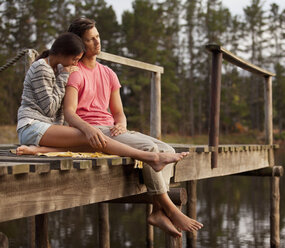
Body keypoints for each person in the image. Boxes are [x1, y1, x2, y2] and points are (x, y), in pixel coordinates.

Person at [64, 17, 203, 236]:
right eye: (91, 40)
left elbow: (119, 113)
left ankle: (157, 211)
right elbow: (69, 113)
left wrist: (121, 124)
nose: (98, 43)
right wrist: (88, 129)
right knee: (150, 151)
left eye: (98, 37)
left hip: (112, 129)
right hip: (92, 132)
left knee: (168, 150)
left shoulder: (108, 73)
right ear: (80, 44)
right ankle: (169, 208)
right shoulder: (75, 73)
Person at [16, 32, 187, 172]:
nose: (76, 64)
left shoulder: (57, 68)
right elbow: (49, 109)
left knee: (94, 141)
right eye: (75, 59)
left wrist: (63, 74)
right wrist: (64, 77)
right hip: (31, 126)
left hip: (45, 129)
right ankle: (152, 158)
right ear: (63, 53)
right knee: (92, 136)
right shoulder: (42, 68)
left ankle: (40, 150)